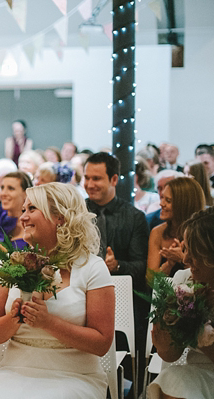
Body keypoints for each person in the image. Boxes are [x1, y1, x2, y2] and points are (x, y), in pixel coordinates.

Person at [0, 182, 115, 398]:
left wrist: (48, 323)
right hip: (15, 372)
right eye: (24, 210)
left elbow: (102, 344)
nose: (23, 217)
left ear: (60, 217)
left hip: (75, 376)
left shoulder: (92, 268)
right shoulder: (8, 265)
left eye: (32, 209)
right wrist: (13, 318)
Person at [84, 152, 150, 385]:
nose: (90, 184)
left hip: (121, 299)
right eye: (86, 178)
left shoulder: (134, 217)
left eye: (97, 178)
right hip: (80, 295)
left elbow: (142, 266)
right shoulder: (77, 213)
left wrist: (117, 265)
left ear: (114, 179)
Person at [147, 207, 214, 399]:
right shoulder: (183, 279)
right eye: (185, 250)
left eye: (196, 253)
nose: (186, 259)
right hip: (195, 373)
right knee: (174, 379)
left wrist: (193, 326)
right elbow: (169, 356)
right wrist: (165, 338)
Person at [147, 177, 205, 278]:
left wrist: (183, 259)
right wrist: (169, 264)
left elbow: (205, 280)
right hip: (165, 293)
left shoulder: (203, 234)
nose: (161, 204)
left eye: (168, 200)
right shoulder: (157, 232)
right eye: (162, 198)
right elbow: (150, 281)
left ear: (184, 204)